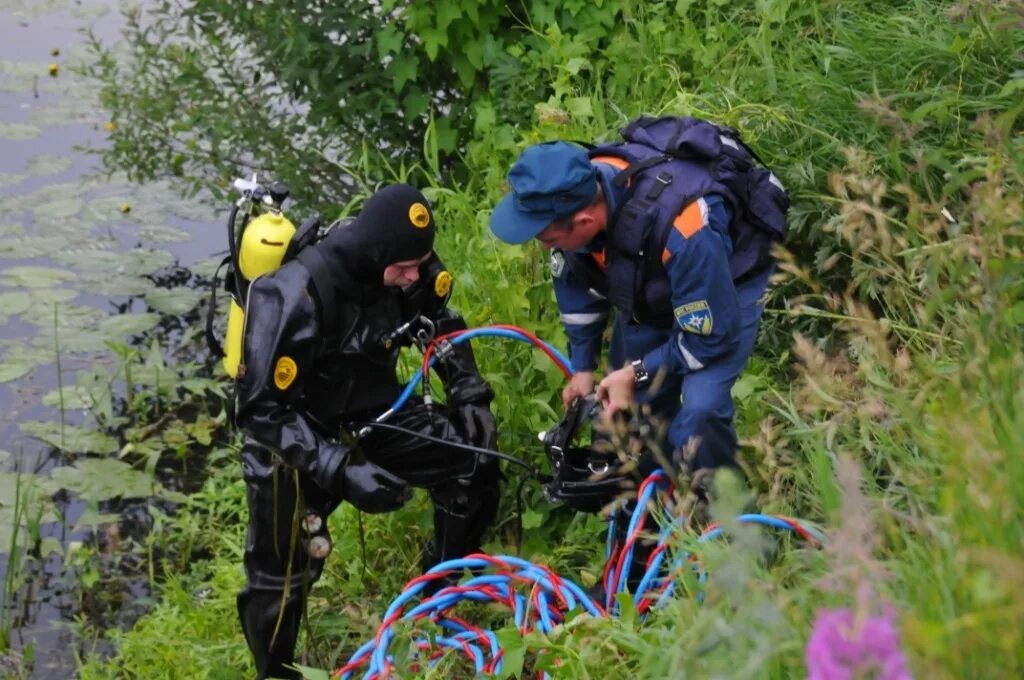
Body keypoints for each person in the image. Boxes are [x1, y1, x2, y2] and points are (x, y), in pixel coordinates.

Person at [234, 183, 500, 679]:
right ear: (376, 252)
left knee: (472, 457)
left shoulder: (407, 263)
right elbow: (260, 411)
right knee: (279, 578)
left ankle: (437, 596)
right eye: (403, 269)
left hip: (376, 414)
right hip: (295, 439)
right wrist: (339, 467)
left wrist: (469, 392)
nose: (413, 277)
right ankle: (276, 672)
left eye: (419, 265)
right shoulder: (290, 296)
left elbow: (440, 321)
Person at [489, 118, 787, 492]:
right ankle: (654, 504)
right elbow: (576, 285)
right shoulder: (579, 200)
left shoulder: (686, 229)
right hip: (653, 279)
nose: (543, 247)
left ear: (584, 220)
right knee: (631, 409)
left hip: (723, 285)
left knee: (699, 413)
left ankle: (729, 522)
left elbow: (709, 338)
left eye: (547, 239)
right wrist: (582, 368)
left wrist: (636, 372)